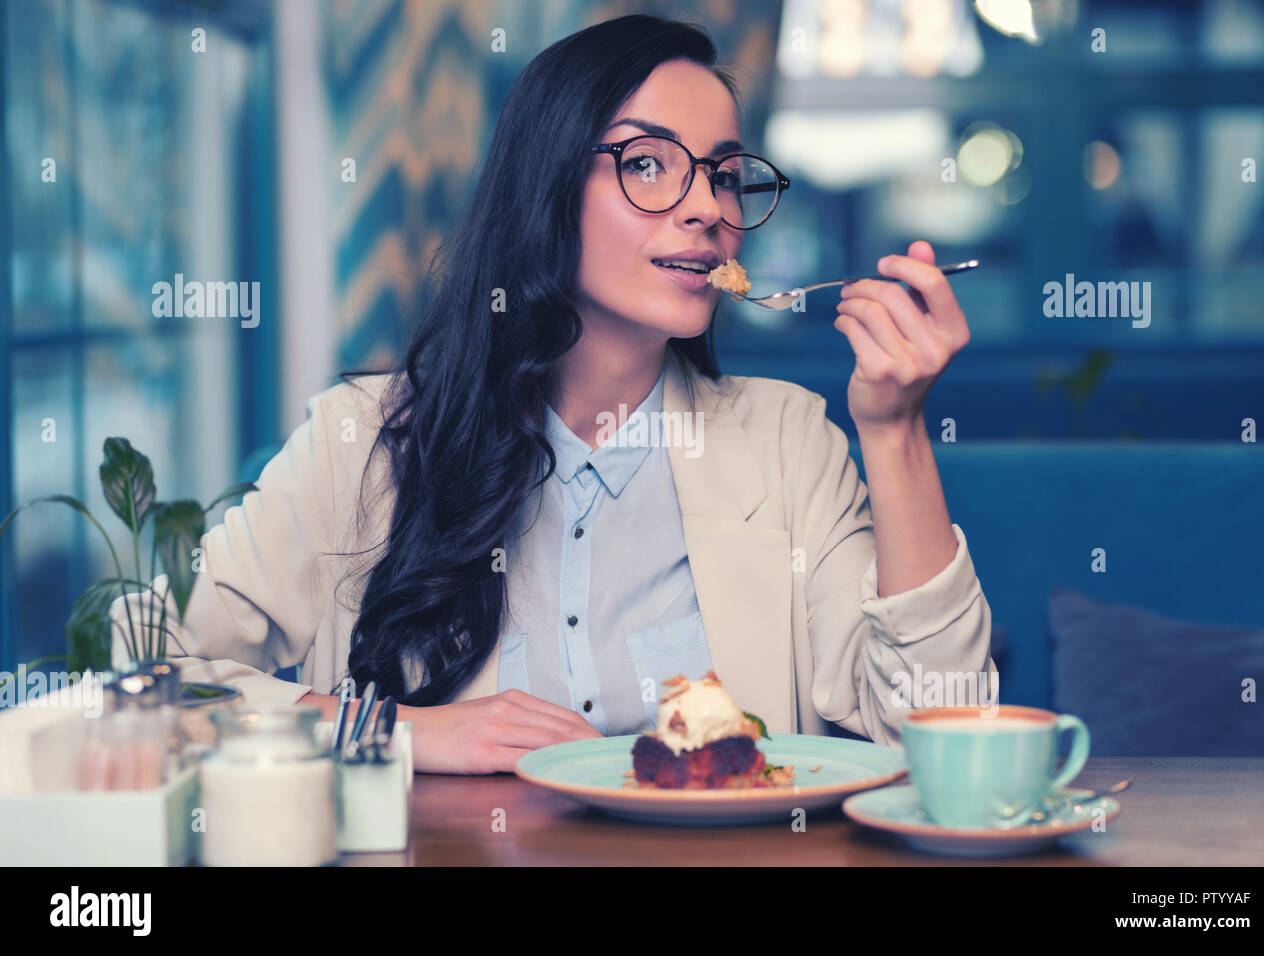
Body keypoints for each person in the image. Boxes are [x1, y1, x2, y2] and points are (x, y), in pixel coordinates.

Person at [111, 14, 994, 775]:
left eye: (724, 174)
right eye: (649, 165)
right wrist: (402, 732)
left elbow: (938, 730)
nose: (706, 208)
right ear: (546, 190)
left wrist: (895, 427)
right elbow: (163, 688)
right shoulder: (359, 442)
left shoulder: (789, 442)